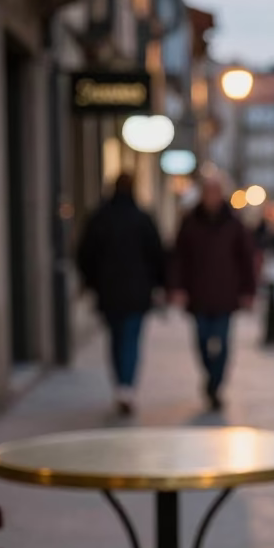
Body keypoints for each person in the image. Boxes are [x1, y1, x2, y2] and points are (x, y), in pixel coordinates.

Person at [76, 172, 165, 416]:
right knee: (131, 339)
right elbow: (158, 255)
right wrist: (158, 284)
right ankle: (126, 385)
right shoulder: (142, 218)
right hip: (136, 292)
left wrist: (92, 282)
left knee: (116, 339)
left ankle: (121, 384)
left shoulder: (100, 218)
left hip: (110, 291)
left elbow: (85, 254)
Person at [170, 175, 256, 410]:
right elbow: (179, 257)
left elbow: (247, 259)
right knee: (201, 341)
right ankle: (209, 377)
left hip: (225, 294)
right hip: (197, 294)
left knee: (222, 342)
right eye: (207, 193)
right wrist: (177, 287)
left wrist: (248, 290)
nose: (211, 198)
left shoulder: (233, 223)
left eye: (215, 192)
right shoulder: (190, 222)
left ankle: (215, 385)